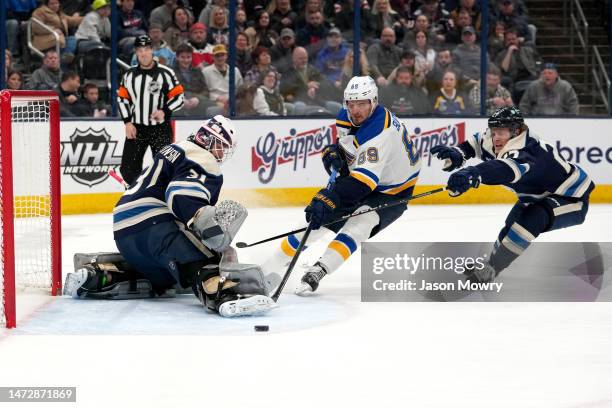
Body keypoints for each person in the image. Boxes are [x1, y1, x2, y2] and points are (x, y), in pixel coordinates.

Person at [64, 116, 277, 318]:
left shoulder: (175, 149)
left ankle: (100, 275)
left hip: (124, 231)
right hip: (154, 225)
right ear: (211, 140)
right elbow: (179, 194)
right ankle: (224, 294)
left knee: (166, 277)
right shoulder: (203, 157)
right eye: (222, 147)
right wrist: (207, 225)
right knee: (206, 261)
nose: (222, 154)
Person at [261, 76, 421, 295]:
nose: (355, 110)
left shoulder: (380, 133)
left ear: (373, 102)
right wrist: (335, 155)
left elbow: (363, 184)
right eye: (351, 104)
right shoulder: (346, 117)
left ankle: (320, 269)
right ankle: (271, 264)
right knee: (317, 221)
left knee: (362, 222)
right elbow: (349, 155)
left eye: (362, 104)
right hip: (369, 175)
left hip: (394, 189)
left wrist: (329, 198)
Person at [430, 106, 594, 283]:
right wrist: (459, 153)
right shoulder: (495, 138)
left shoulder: (528, 150)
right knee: (511, 226)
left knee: (531, 220)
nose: (496, 138)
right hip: (534, 196)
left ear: (516, 132)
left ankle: (492, 270)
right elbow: (476, 143)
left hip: (571, 197)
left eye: (501, 132)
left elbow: (505, 169)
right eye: (494, 132)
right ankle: (490, 264)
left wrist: (473, 173)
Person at [117, 35, 184, 185]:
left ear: (152, 50)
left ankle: (161, 199)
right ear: (136, 52)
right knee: (128, 169)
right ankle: (137, 196)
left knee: (165, 167)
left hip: (160, 128)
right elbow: (122, 100)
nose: (143, 53)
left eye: (146, 49)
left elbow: (179, 97)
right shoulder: (129, 75)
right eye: (140, 50)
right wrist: (127, 122)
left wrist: (165, 111)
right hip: (136, 128)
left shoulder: (166, 73)